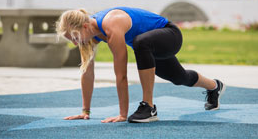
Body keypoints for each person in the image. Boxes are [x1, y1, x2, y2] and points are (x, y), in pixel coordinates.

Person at [56, 7, 225, 123]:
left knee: (140, 42)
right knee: (180, 77)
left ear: (85, 26)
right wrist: (86, 111)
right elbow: (87, 72)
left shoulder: (111, 24)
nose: (76, 43)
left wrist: (123, 114)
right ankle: (214, 86)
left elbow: (121, 75)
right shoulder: (89, 34)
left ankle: (148, 108)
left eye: (75, 38)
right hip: (150, 47)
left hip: (170, 35)